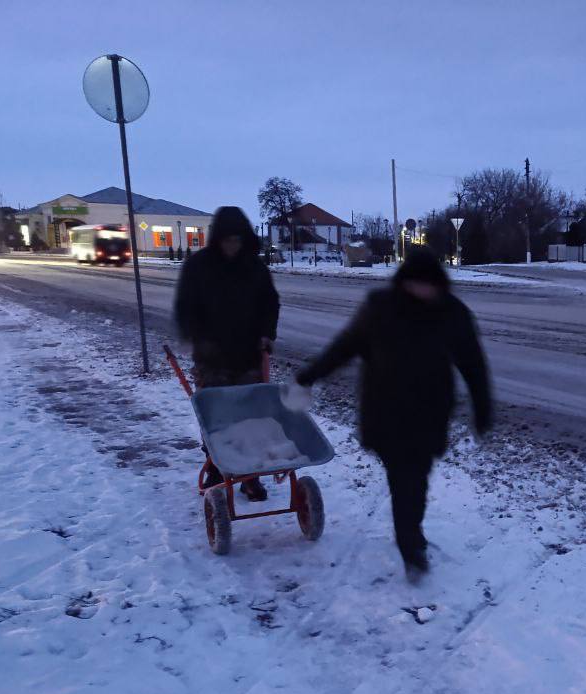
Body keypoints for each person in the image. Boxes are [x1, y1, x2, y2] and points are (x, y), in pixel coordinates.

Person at [295, 247, 492, 582]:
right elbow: (345, 346)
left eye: (429, 285)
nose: (423, 291)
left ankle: (410, 532)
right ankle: (411, 547)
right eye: (417, 284)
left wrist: (483, 408)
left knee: (415, 480)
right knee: (406, 480)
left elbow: (473, 364)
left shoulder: (452, 313)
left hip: (430, 411)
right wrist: (309, 376)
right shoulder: (381, 308)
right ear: (405, 282)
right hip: (386, 410)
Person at [174, 206, 280, 501]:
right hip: (212, 358)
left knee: (250, 417)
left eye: (238, 240)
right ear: (217, 239)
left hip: (248, 356)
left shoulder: (255, 268)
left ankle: (250, 476)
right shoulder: (199, 267)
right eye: (227, 240)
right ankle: (217, 469)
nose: (232, 246)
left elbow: (270, 303)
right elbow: (186, 306)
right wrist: (197, 337)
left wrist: (267, 334)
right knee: (215, 417)